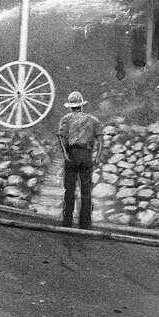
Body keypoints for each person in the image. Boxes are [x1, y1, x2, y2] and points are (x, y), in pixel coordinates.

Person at [57, 90, 103, 229]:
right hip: (87, 155)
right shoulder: (93, 120)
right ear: (81, 105)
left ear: (71, 106)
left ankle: (67, 222)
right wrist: (97, 157)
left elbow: (61, 137)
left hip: (72, 154)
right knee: (86, 191)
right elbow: (100, 140)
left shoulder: (66, 119)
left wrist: (64, 154)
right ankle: (85, 224)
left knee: (69, 189)